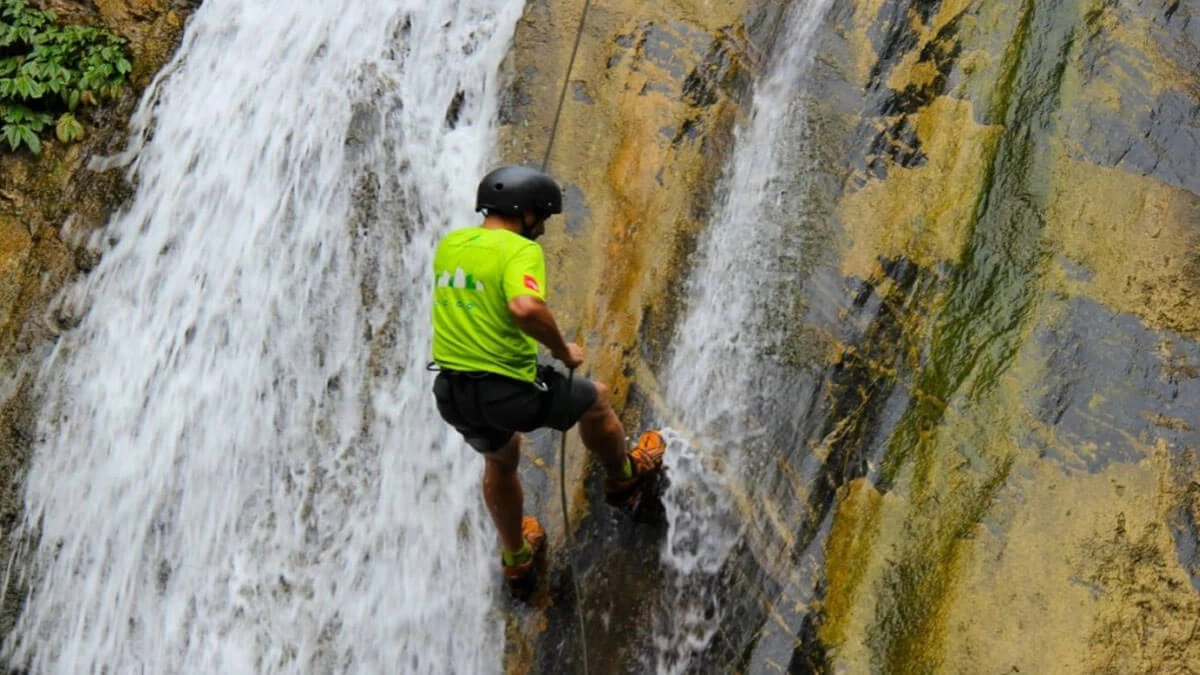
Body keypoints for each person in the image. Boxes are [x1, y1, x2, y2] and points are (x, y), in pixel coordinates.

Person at [430, 165, 665, 597]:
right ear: (525, 212)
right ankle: (624, 476)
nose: (542, 229)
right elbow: (524, 307)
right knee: (596, 399)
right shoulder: (520, 250)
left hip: (452, 393)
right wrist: (561, 350)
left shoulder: (450, 245)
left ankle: (517, 557)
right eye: (542, 217)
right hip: (504, 390)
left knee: (501, 459)